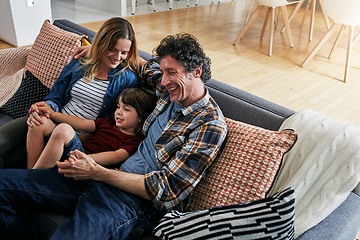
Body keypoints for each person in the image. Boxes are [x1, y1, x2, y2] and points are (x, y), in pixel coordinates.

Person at [0, 33, 227, 239]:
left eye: (171, 73)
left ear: (196, 72)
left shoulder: (209, 124)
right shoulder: (170, 90)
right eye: (164, 71)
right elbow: (142, 64)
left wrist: (99, 172)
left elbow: (167, 191)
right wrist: (99, 50)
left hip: (130, 202)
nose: (164, 80)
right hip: (99, 177)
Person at [0, 17, 140, 169]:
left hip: (77, 137)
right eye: (112, 49)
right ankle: (30, 176)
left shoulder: (127, 80)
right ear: (101, 43)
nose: (118, 57)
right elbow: (56, 96)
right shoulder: (81, 62)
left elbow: (110, 123)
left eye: (124, 52)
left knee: (13, 159)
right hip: (53, 122)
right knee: (31, 124)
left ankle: (30, 180)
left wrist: (83, 138)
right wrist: (45, 108)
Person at [29, 88, 157, 169]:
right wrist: (53, 114)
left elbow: (116, 156)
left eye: (126, 109)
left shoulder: (135, 141)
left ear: (141, 117)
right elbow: (83, 123)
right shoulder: (109, 122)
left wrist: (83, 159)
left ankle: (30, 177)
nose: (118, 112)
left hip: (83, 162)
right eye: (118, 107)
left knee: (63, 130)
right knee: (41, 121)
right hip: (72, 152)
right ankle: (30, 171)